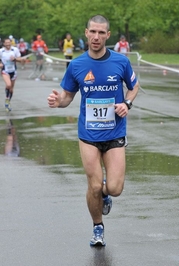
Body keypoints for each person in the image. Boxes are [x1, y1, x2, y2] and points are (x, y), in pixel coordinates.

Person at [47, 14, 140, 247]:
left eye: (101, 33)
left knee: (115, 188)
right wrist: (58, 101)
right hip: (88, 134)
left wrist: (126, 103)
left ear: (107, 35)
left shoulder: (120, 61)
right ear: (86, 33)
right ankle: (98, 227)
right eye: (93, 32)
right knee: (95, 185)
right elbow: (67, 96)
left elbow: (134, 86)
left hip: (115, 132)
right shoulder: (76, 65)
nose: (96, 37)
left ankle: (105, 196)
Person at [0, 38, 25, 112]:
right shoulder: (1, 51)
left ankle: (8, 101)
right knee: (8, 85)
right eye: (6, 43)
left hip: (13, 71)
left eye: (9, 43)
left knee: (11, 89)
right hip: (5, 71)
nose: (8, 44)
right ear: (4, 44)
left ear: (11, 43)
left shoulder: (15, 50)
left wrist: (15, 59)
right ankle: (7, 99)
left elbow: (21, 60)